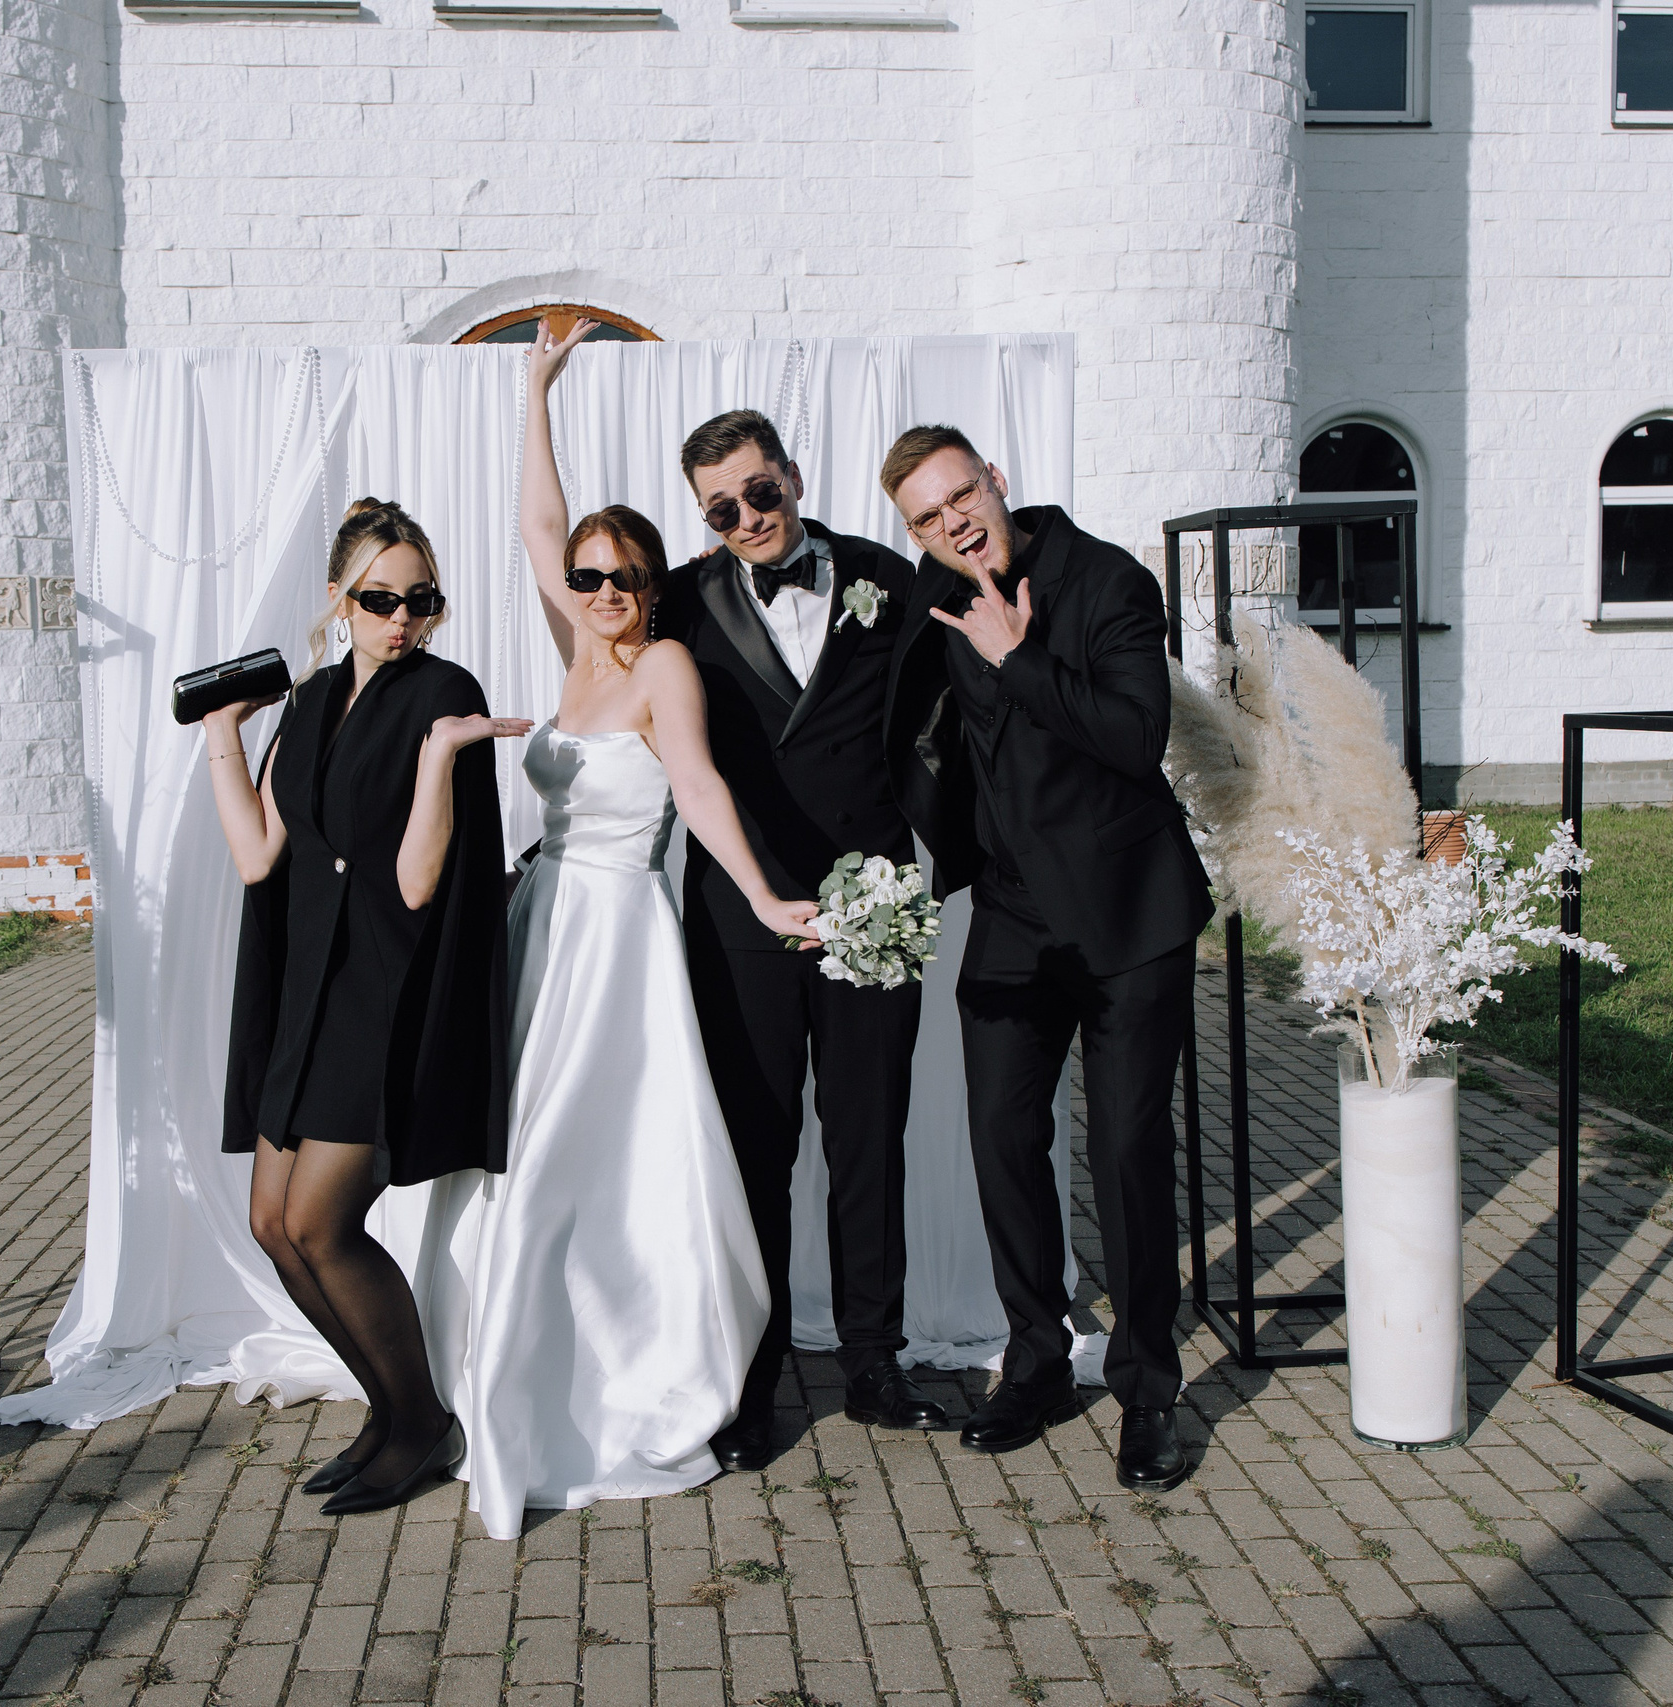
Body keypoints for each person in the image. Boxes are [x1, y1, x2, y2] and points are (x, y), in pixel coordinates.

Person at [442, 324, 819, 1538]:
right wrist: (535, 392)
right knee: (522, 1150)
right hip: (540, 925)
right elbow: (536, 528)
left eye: (623, 577)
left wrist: (762, 897)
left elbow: (698, 790)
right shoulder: (575, 651)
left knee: (589, 1155)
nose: (601, 590)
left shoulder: (661, 666)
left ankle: (614, 1368)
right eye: (589, 577)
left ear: (651, 585)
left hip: (617, 942)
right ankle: (514, 1356)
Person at [878, 426, 1212, 1488]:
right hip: (1013, 916)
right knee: (1000, 1137)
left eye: (961, 496)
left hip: (1127, 915)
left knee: (1124, 1150)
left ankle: (1147, 1390)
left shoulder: (1108, 581)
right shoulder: (930, 595)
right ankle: (1035, 1362)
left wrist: (1017, 660)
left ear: (997, 481)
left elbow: (1136, 736)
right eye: (927, 517)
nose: (953, 523)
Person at [199, 498, 529, 1517]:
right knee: (271, 1222)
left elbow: (420, 881)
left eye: (421, 600)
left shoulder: (445, 692)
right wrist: (221, 733)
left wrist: (438, 761)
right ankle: (390, 1412)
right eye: (380, 599)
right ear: (340, 599)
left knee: (321, 1221)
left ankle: (421, 1420)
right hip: (303, 986)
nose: (402, 619)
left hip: (382, 986)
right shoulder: (307, 699)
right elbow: (259, 854)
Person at [657, 398, 947, 1471]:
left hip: (872, 896)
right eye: (720, 509)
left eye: (759, 491)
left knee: (870, 1136)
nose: (747, 518)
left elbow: (951, 710)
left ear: (793, 475)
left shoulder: (887, 574)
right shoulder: (679, 599)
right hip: (742, 915)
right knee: (755, 1149)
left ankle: (874, 1361)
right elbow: (568, 587)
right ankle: (750, 1376)